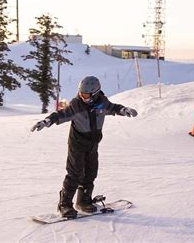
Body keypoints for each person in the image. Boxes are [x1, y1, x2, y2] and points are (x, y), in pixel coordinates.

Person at [31, 76, 138, 218]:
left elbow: (113, 108)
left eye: (85, 94)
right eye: (81, 93)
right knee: (75, 174)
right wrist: (46, 121)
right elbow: (60, 114)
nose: (82, 96)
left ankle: (83, 201)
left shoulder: (102, 102)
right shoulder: (76, 105)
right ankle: (65, 205)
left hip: (93, 145)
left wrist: (124, 109)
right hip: (77, 145)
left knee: (91, 173)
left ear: (95, 93)